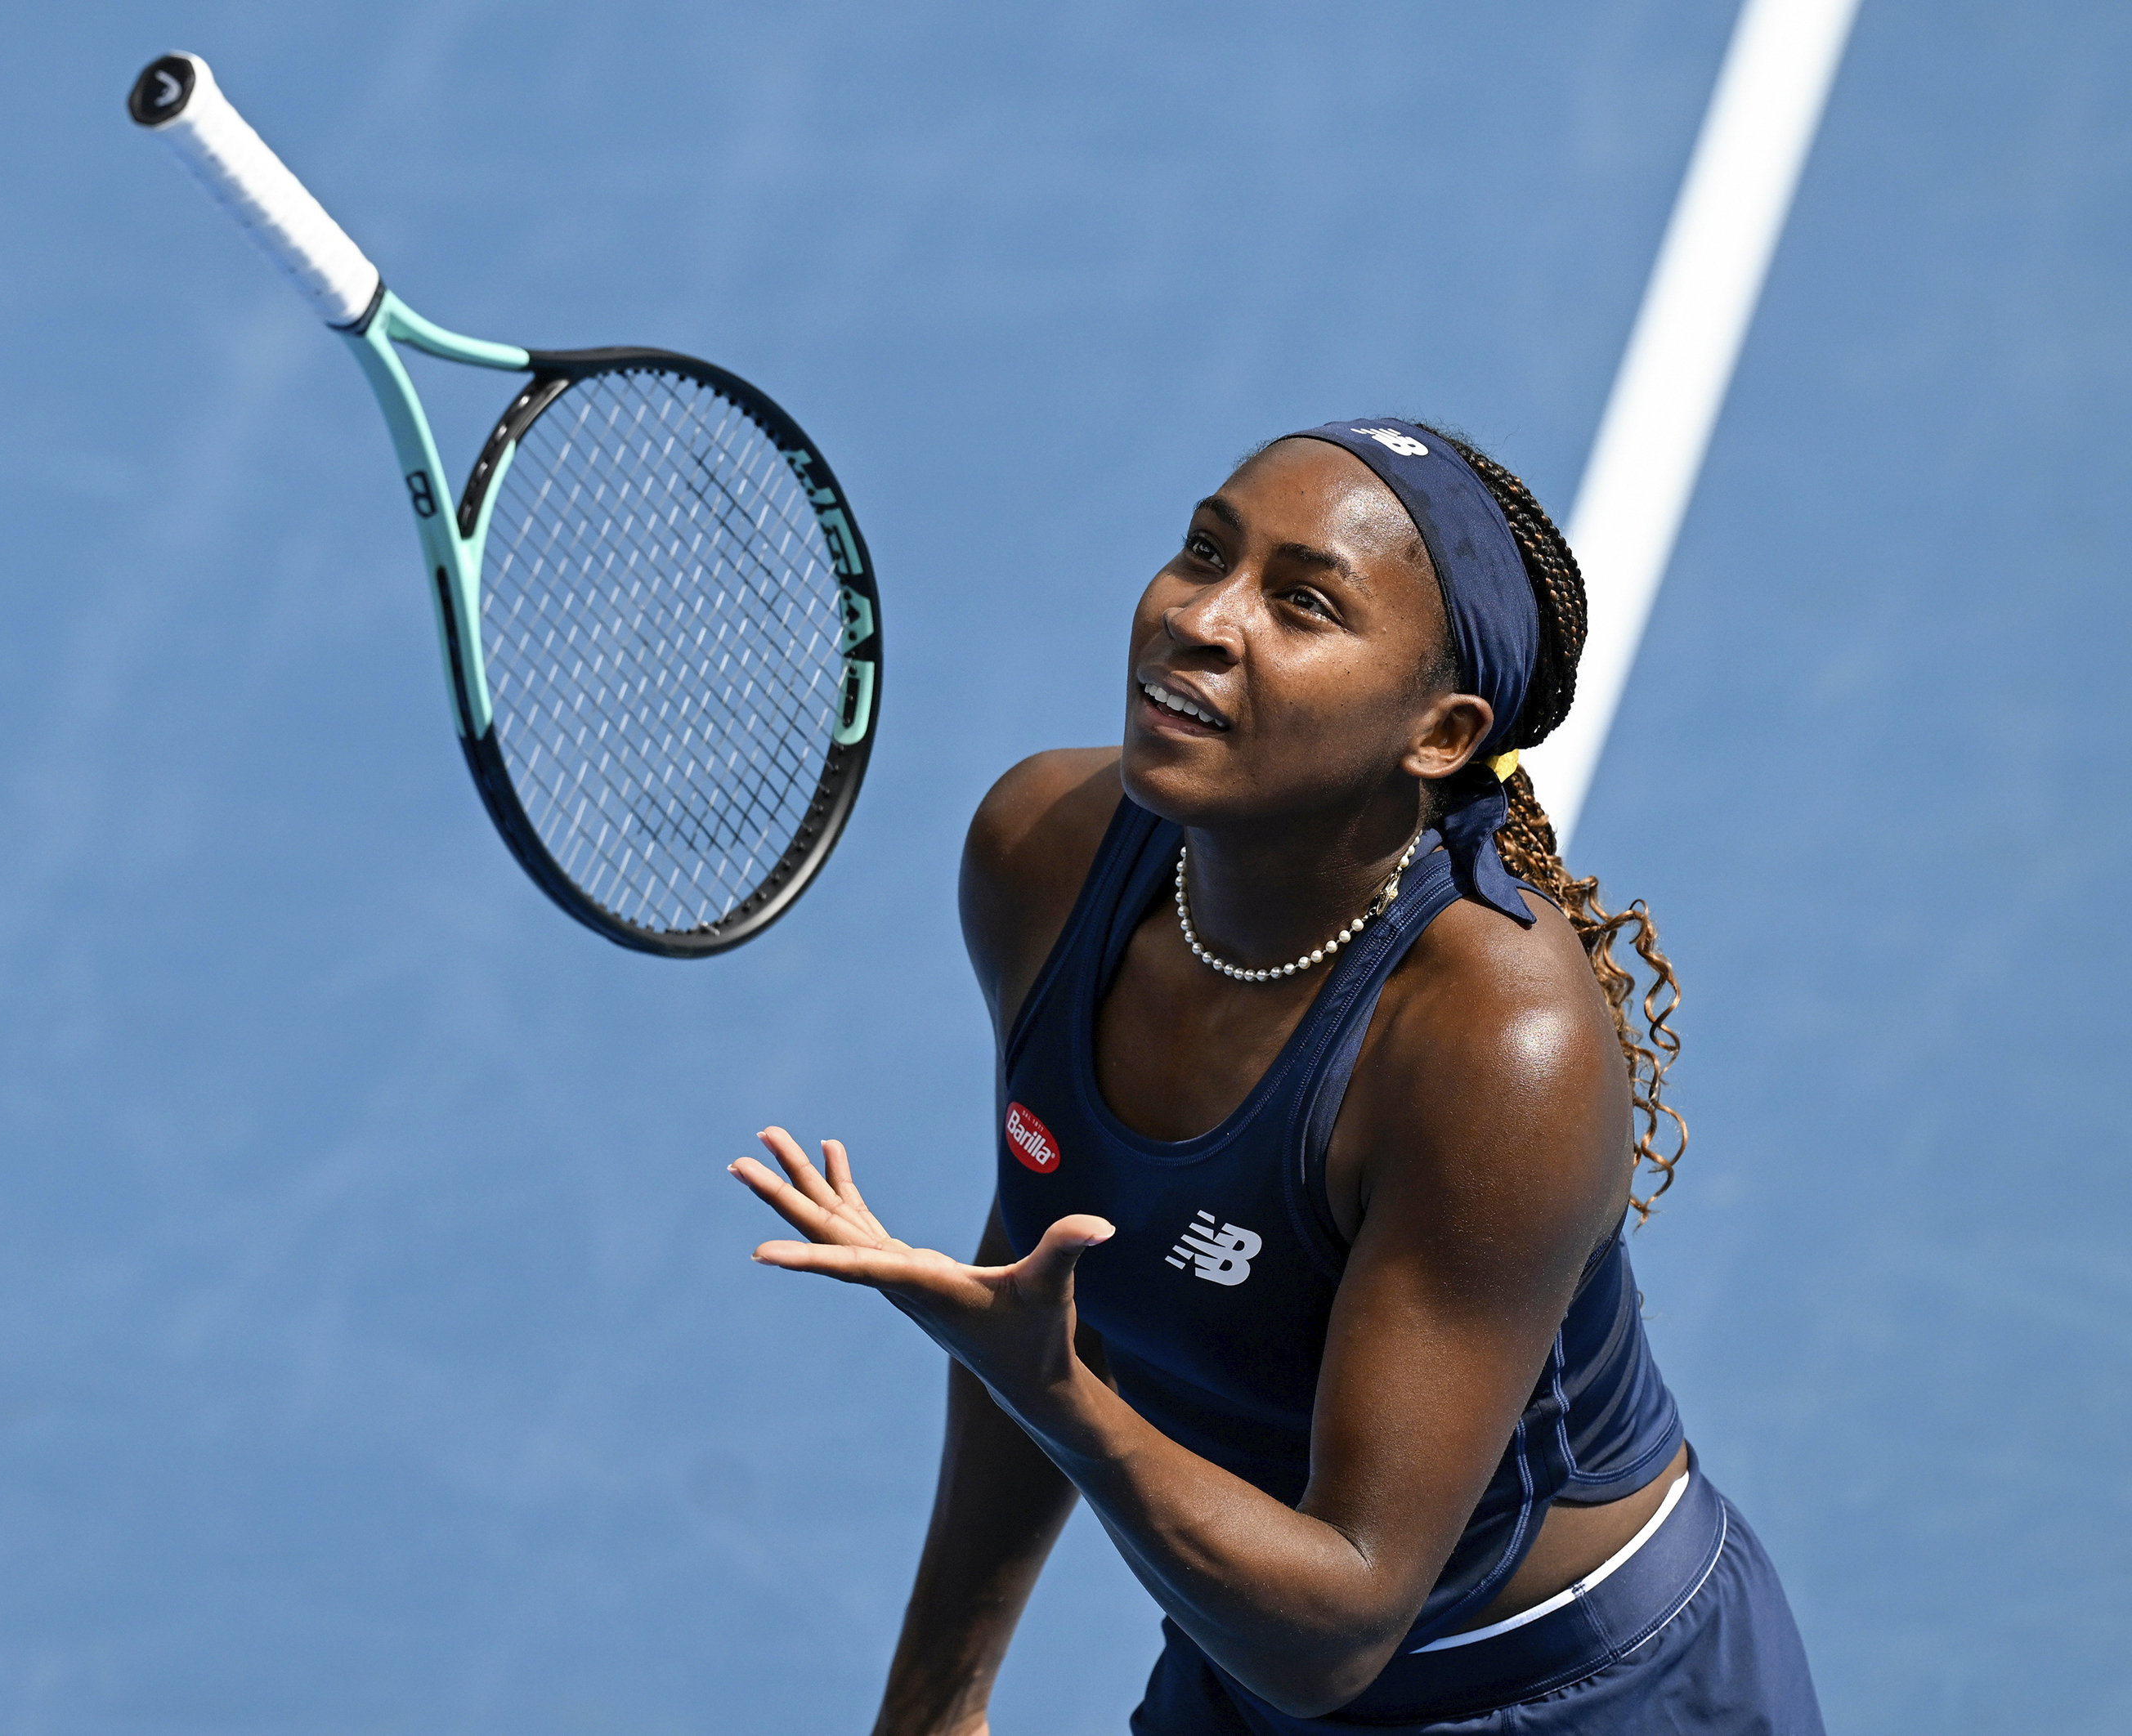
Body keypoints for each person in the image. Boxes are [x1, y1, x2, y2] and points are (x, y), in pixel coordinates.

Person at [725, 422, 1823, 1734]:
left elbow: (1341, 1626)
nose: (1200, 616)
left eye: (1301, 603)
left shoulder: (1492, 1049)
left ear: (1441, 731)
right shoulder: (1043, 853)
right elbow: (1040, 1271)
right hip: (1242, 1661)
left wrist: (1059, 1393)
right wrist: (933, 1703)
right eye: (1203, 551)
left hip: (1572, 1697)